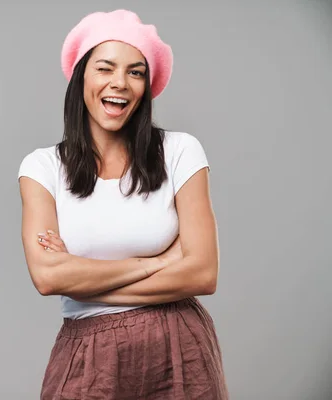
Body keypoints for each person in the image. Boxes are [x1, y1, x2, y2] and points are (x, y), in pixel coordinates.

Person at [17, 9, 229, 400]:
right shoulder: (42, 167)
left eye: (136, 72)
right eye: (105, 68)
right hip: (88, 352)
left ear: (147, 86)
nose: (120, 83)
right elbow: (48, 277)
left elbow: (202, 273)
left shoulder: (180, 152)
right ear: (81, 75)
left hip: (178, 345)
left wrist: (82, 280)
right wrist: (161, 261)